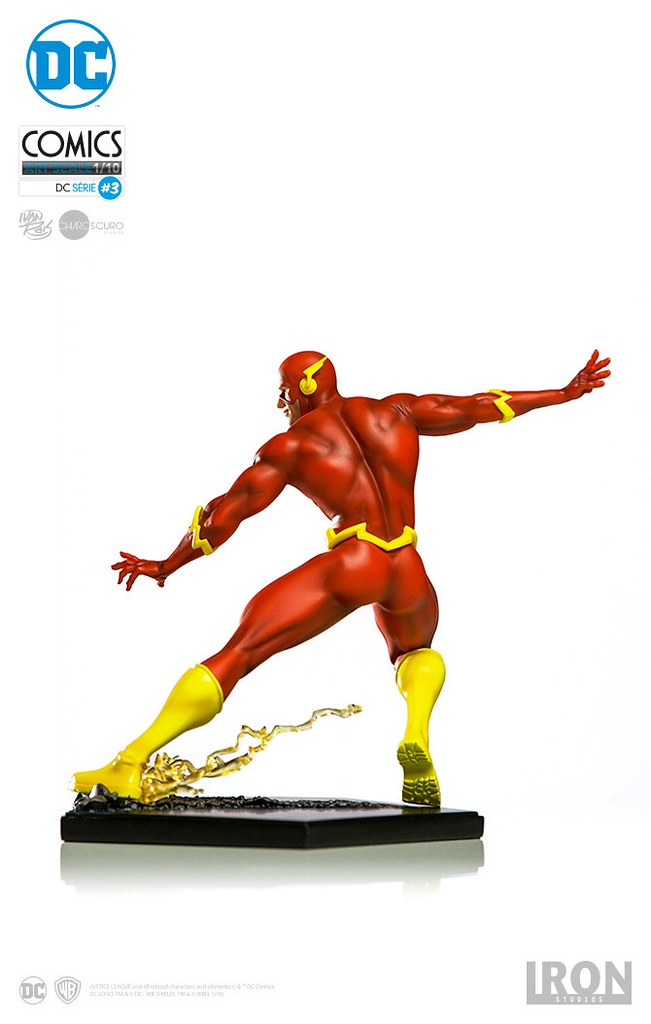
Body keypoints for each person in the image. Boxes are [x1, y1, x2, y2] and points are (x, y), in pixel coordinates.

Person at [72, 348, 610, 804]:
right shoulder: (396, 411)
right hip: (407, 566)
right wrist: (563, 393)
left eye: (284, 391)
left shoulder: (289, 447)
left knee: (240, 652)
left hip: (356, 561)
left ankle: (129, 763)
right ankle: (416, 732)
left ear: (305, 388)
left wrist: (167, 564)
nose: (281, 403)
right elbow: (475, 407)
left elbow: (225, 515)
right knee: (415, 652)